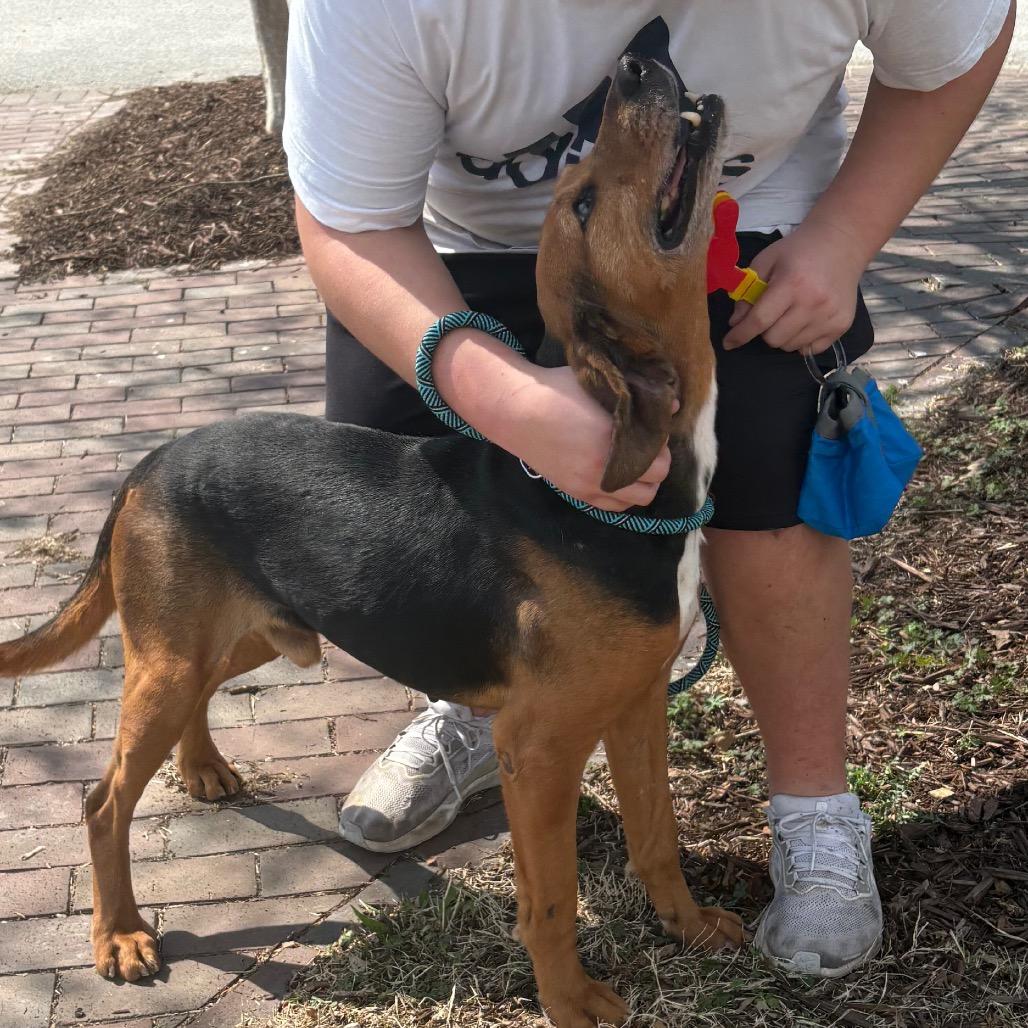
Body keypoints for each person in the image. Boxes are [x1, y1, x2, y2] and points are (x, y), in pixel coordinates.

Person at [283, 0, 1014, 978]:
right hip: (450, 249)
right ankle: (484, 693)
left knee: (768, 488)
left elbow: (958, 46)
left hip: (740, 227)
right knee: (418, 486)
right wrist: (500, 396)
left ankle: (813, 807)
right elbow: (349, 218)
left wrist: (842, 238)